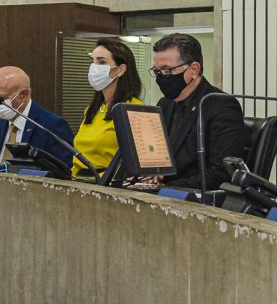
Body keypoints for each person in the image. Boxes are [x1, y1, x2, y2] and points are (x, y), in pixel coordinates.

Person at [151, 33, 243, 190]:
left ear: (193, 70)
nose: (161, 77)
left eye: (167, 70)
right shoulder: (165, 104)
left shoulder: (220, 105)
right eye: (157, 71)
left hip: (194, 198)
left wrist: (165, 188)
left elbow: (221, 173)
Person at [71, 38, 144, 179]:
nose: (94, 67)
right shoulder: (91, 110)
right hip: (78, 181)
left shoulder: (133, 109)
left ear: (121, 70)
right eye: (92, 61)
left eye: (102, 62)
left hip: (108, 185)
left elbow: (136, 162)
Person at [0, 66, 74, 166]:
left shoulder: (52, 125)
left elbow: (66, 170)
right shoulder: (0, 124)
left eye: (1, 99)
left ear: (23, 95)